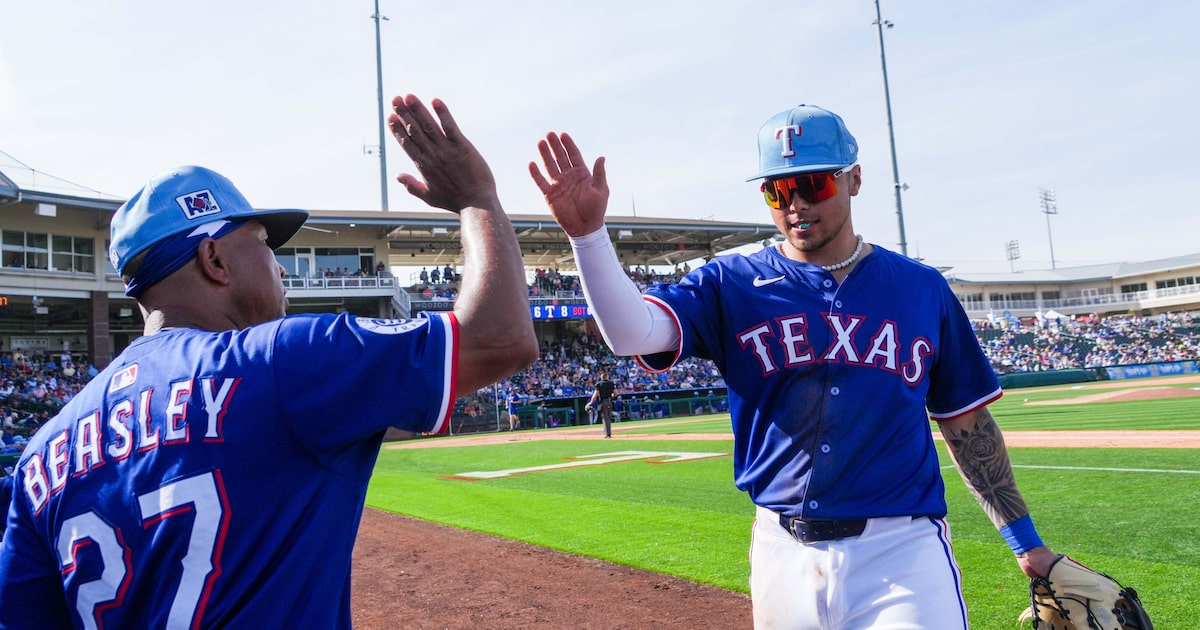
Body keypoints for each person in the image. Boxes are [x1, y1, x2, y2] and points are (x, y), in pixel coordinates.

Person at [0, 94, 537, 628]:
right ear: (214, 259)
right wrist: (476, 197)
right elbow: (501, 338)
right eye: (263, 245)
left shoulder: (41, 458)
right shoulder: (279, 360)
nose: (280, 269)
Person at [530, 104, 1057, 628]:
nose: (796, 204)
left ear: (853, 179)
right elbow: (631, 335)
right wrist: (587, 237)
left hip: (901, 550)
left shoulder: (922, 289)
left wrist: (1025, 543)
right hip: (781, 553)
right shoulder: (729, 281)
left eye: (813, 184)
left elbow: (968, 425)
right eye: (777, 191)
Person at [585, 372, 616, 438]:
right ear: (607, 377)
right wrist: (611, 396)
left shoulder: (599, 384)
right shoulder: (611, 383)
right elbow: (616, 393)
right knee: (609, 417)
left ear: (601, 378)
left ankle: (607, 434)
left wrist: (591, 402)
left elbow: (595, 395)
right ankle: (609, 433)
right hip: (610, 401)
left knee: (605, 418)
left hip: (603, 402)